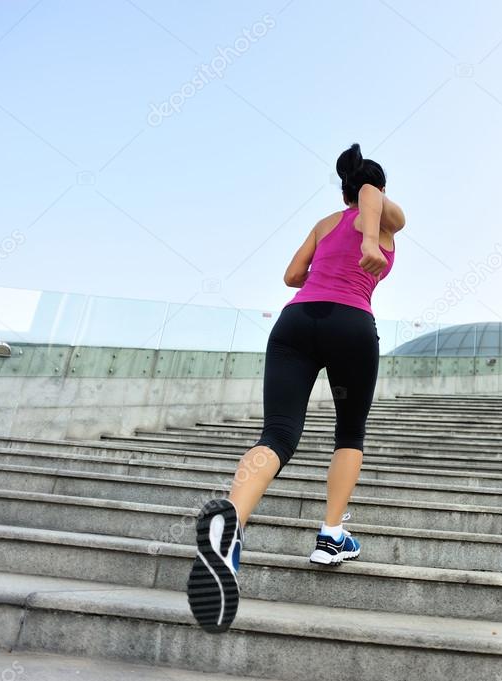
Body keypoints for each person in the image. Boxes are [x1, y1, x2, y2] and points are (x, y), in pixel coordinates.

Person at [186, 143, 405, 633]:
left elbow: (291, 276)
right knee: (349, 433)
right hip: (350, 323)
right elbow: (371, 193)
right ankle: (331, 535)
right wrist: (370, 241)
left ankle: (233, 524)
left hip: (296, 323)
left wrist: (324, 272)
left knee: (278, 434)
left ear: (342, 189)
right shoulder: (387, 215)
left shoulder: (324, 225)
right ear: (377, 189)